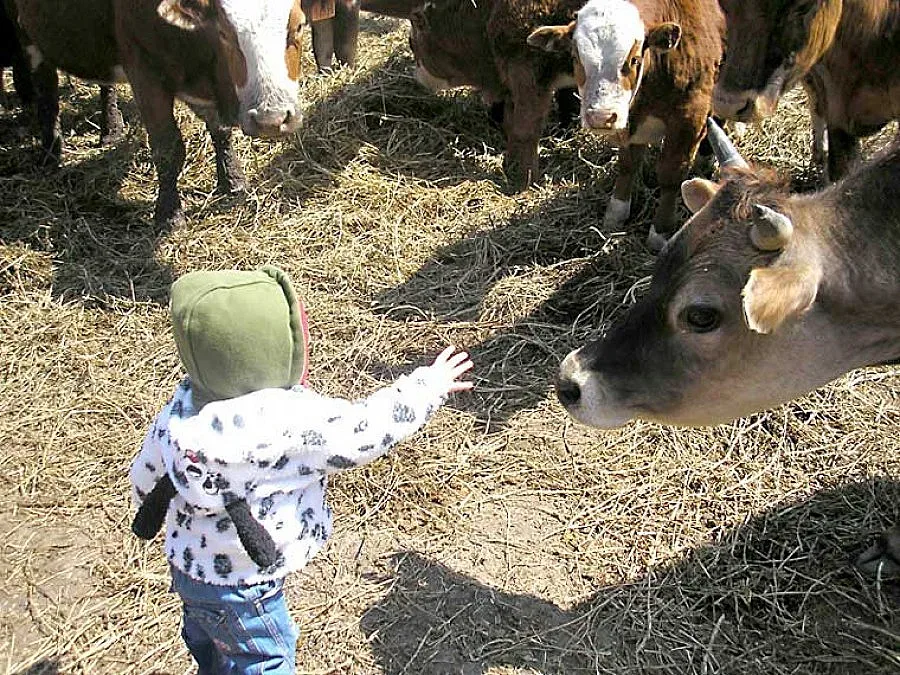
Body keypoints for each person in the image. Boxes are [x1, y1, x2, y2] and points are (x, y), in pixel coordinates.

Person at [130, 266, 474, 674]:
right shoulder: (284, 420)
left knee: (211, 642)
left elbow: (145, 478)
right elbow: (363, 432)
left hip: (189, 572)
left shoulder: (180, 411)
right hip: (247, 582)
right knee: (264, 659)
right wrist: (426, 386)